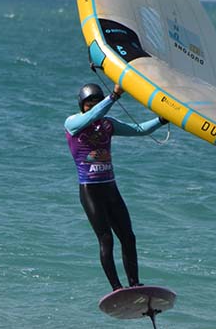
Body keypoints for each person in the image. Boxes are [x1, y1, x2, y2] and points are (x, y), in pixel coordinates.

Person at [64, 82, 167, 292]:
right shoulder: (73, 123)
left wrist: (161, 120)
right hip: (90, 191)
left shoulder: (108, 125)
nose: (92, 106)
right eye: (88, 103)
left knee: (128, 237)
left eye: (96, 102)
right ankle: (116, 288)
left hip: (110, 189)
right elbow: (91, 118)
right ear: (81, 105)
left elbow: (138, 130)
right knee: (106, 238)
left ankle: (135, 283)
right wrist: (113, 96)